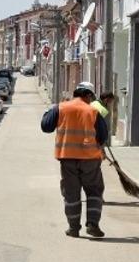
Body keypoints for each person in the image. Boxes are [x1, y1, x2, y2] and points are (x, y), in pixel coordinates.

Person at [40, 81, 109, 239]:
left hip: (67, 158)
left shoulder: (61, 108)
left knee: (71, 193)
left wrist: (49, 112)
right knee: (94, 191)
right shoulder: (92, 111)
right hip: (90, 160)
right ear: (88, 95)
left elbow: (46, 126)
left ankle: (73, 228)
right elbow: (103, 136)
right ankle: (92, 224)